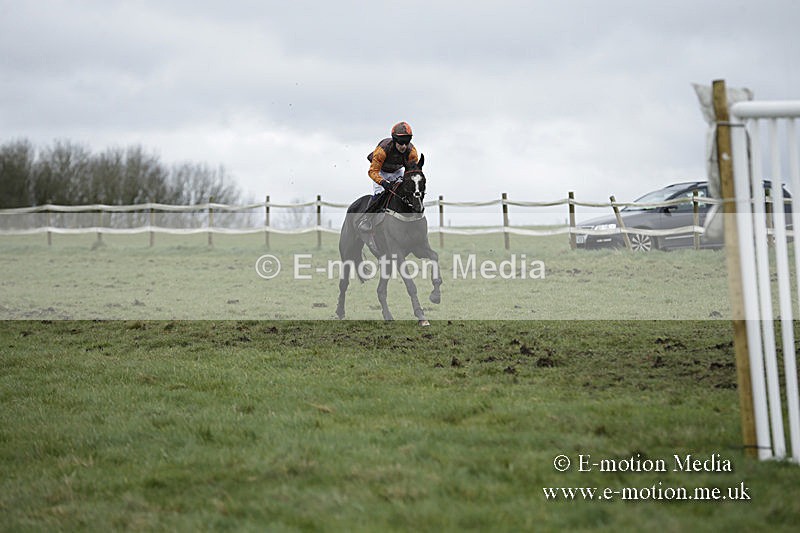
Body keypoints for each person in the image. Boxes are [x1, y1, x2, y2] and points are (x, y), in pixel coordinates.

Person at [358, 121, 419, 255]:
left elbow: (413, 170)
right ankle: (366, 219)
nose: (404, 146)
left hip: (398, 171)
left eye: (406, 142)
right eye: (401, 142)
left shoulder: (412, 151)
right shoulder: (382, 150)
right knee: (381, 194)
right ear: (395, 140)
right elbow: (372, 171)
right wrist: (383, 182)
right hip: (381, 172)